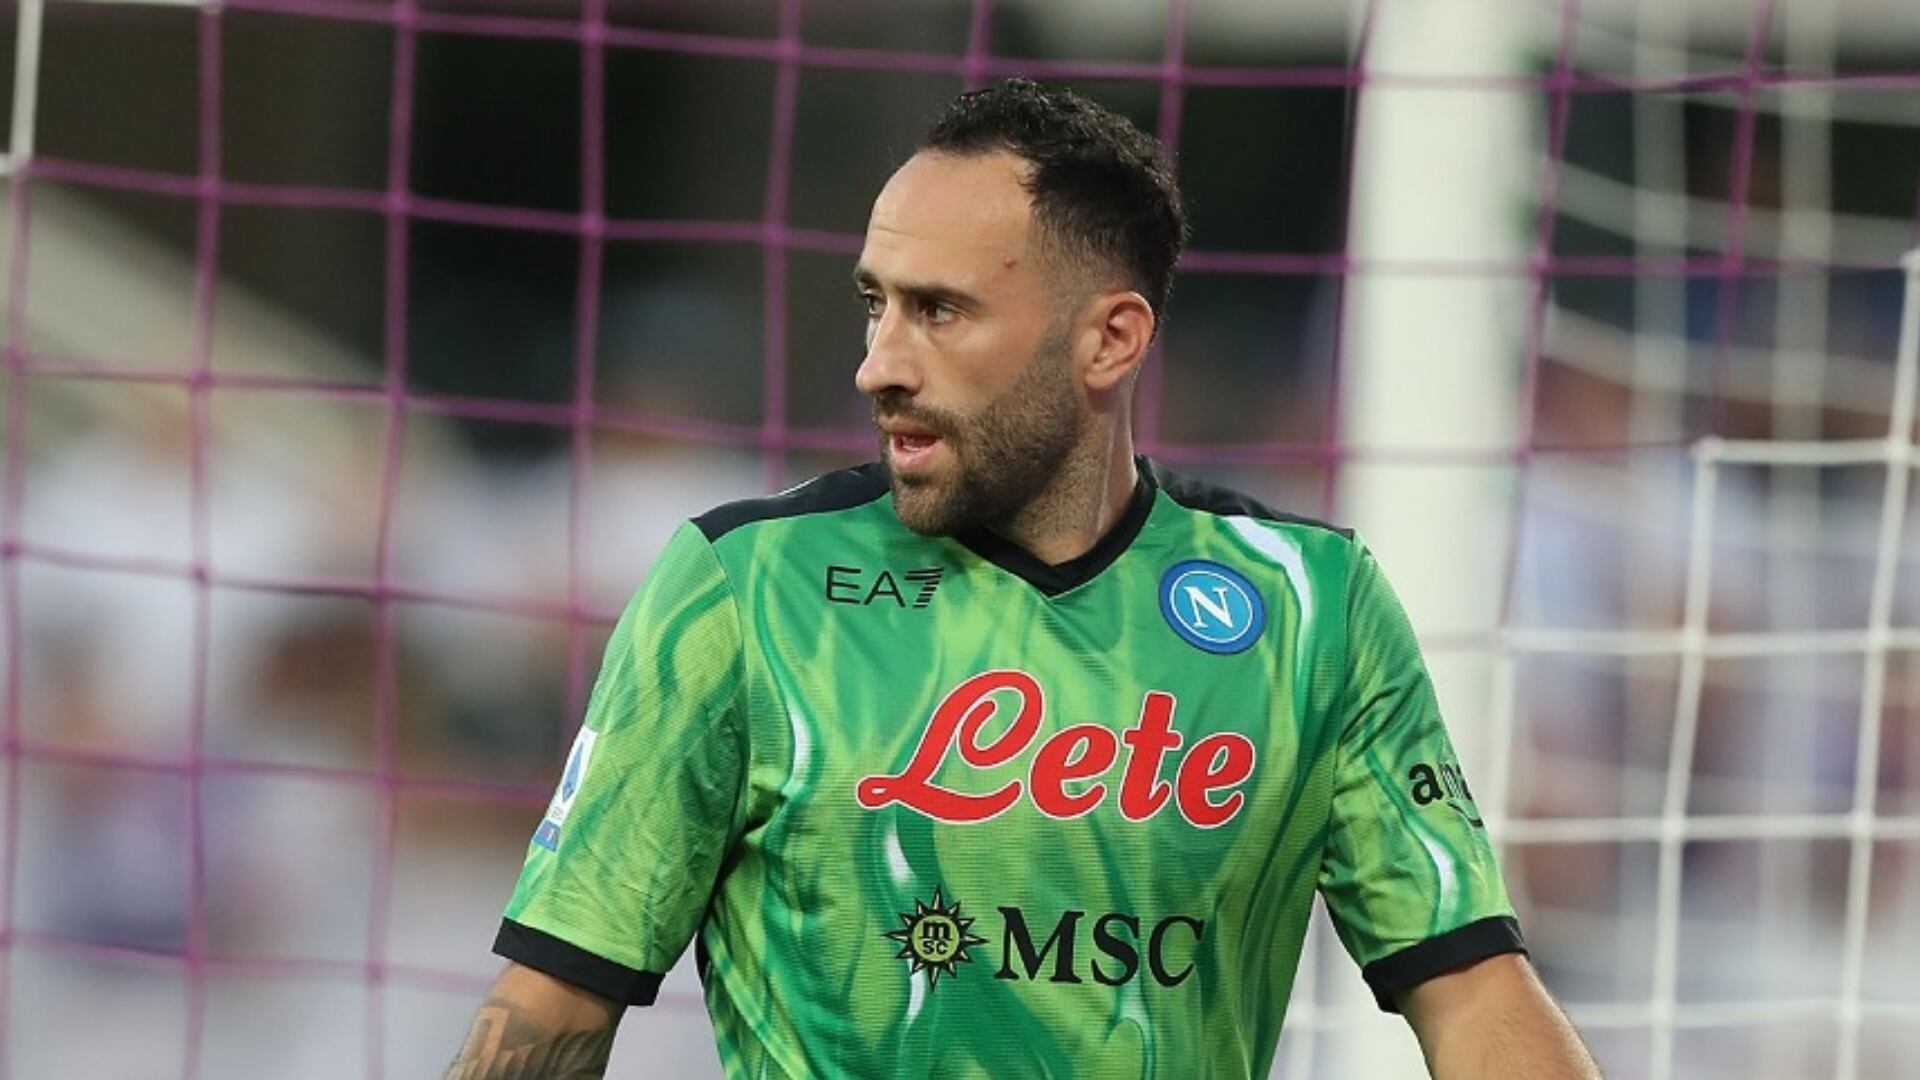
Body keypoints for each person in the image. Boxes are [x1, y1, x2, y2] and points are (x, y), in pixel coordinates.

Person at [444, 78, 1604, 1080]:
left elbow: (1473, 991)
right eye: (876, 304)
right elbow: (554, 1001)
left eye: (940, 312)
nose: (878, 366)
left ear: (1111, 339)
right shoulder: (743, 587)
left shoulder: (1310, 604)